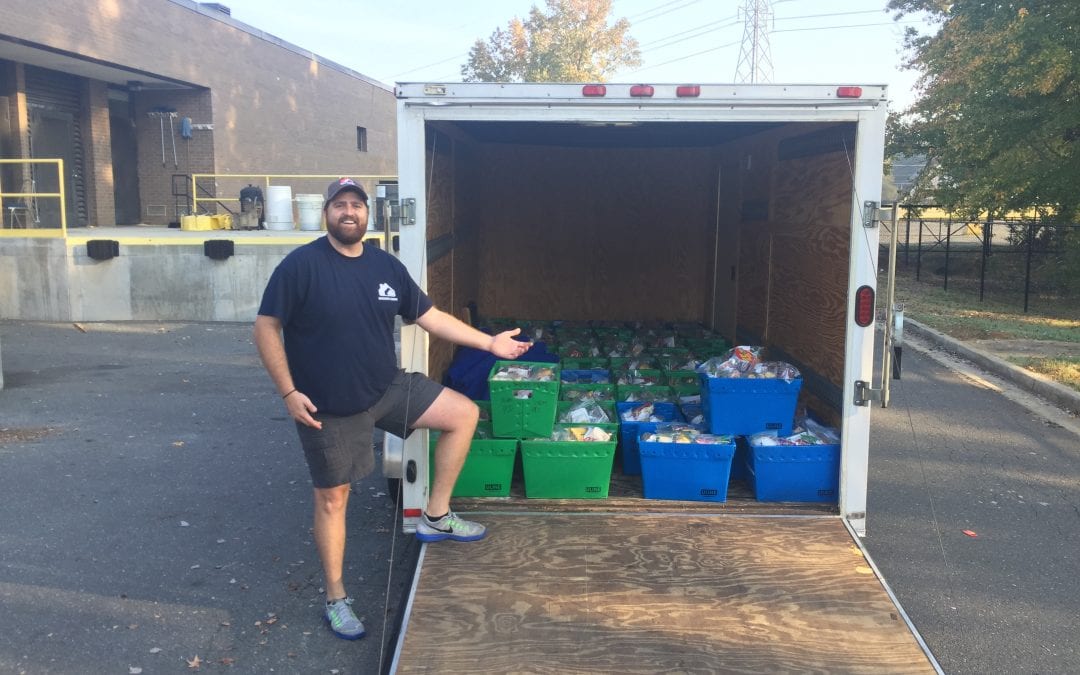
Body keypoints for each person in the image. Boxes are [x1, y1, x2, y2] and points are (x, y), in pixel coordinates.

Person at [252, 177, 531, 641]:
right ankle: (336, 598)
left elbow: (430, 315)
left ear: (368, 215)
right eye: (339, 205)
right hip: (329, 405)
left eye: (356, 206)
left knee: (463, 415)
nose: (348, 212)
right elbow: (266, 327)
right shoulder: (300, 267)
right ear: (327, 213)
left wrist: (488, 342)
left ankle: (436, 516)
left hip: (388, 390)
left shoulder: (386, 267)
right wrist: (287, 392)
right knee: (333, 498)